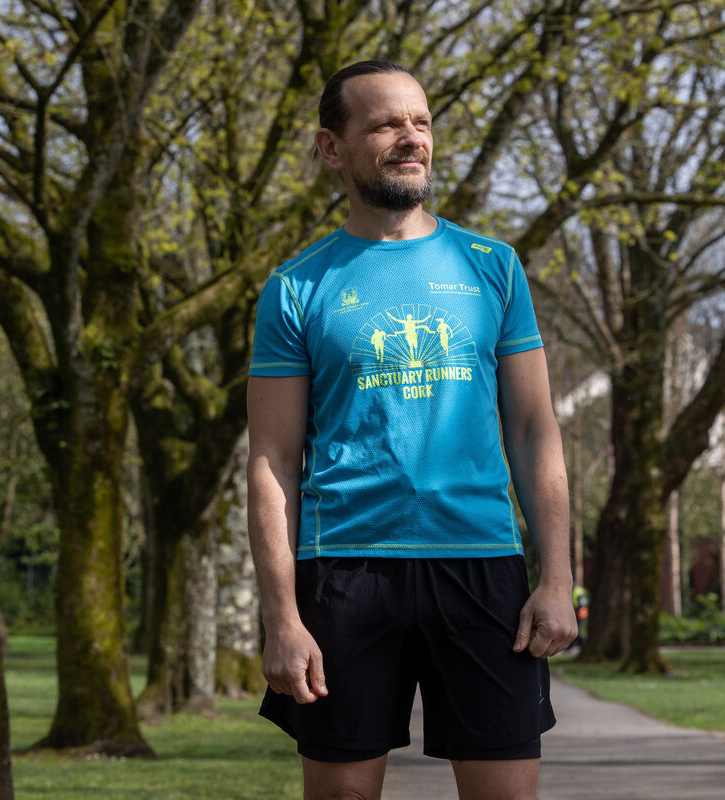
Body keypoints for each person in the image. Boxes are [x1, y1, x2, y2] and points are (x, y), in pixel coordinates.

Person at [246, 60, 577, 800]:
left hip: (482, 565)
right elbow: (270, 460)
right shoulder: (297, 286)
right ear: (332, 148)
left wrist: (556, 577)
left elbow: (532, 431)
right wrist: (281, 615)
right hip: (344, 572)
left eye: (421, 122)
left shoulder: (492, 266)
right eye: (386, 124)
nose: (411, 139)